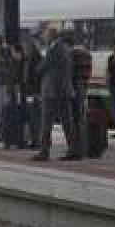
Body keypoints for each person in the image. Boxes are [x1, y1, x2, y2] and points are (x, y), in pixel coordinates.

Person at [34, 27, 77, 162]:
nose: (43, 37)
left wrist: (37, 67)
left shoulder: (55, 49)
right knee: (67, 122)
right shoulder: (63, 48)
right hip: (62, 91)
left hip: (53, 91)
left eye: (45, 35)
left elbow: (42, 67)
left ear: (51, 36)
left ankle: (44, 151)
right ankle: (73, 149)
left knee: (46, 122)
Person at [0, 41, 25, 149]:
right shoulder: (15, 62)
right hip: (14, 93)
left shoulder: (17, 63)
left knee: (13, 116)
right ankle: (13, 140)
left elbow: (13, 77)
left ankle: (13, 140)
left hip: (15, 93)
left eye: (12, 51)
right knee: (13, 116)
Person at [70, 39, 93, 158]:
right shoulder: (88, 55)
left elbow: (69, 73)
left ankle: (76, 149)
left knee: (75, 120)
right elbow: (88, 74)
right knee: (81, 119)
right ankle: (84, 148)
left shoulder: (72, 54)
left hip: (75, 89)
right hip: (84, 88)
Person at [21, 40, 43, 149]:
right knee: (31, 117)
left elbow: (37, 77)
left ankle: (37, 141)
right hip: (29, 92)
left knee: (36, 118)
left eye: (26, 48)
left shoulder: (37, 59)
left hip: (35, 92)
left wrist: (36, 92)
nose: (25, 50)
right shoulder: (28, 59)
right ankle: (34, 140)